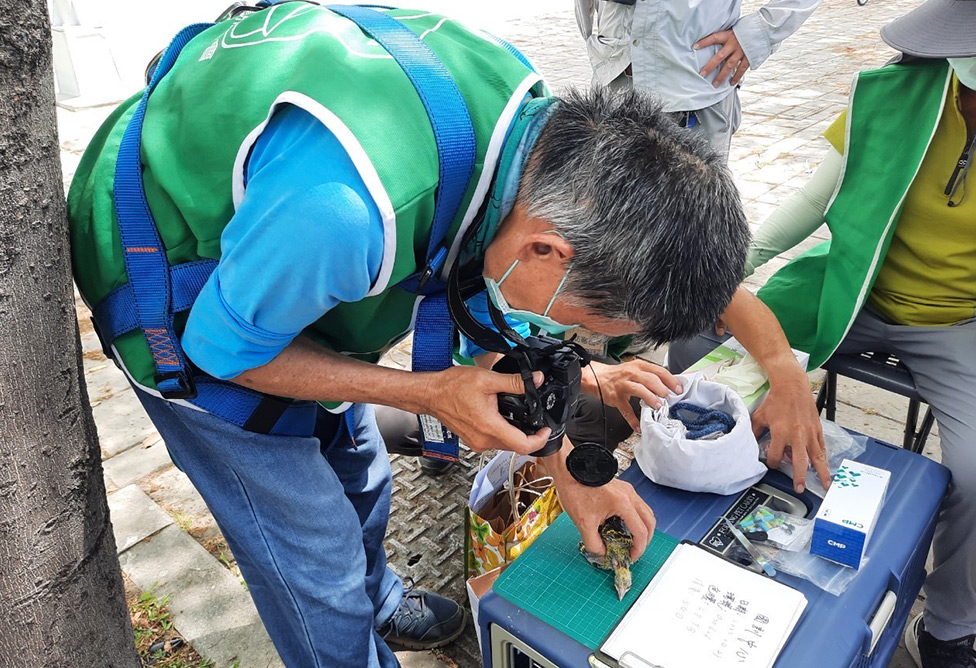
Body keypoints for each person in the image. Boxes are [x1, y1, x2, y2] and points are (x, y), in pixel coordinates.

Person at [67, 5, 751, 666]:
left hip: (283, 252)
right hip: (176, 285)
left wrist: (569, 465)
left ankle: (377, 602)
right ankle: (340, 636)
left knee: (361, 471)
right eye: (577, 324)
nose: (554, 335)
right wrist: (431, 394)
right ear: (547, 251)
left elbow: (487, 311)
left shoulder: (541, 145)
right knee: (316, 558)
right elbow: (222, 349)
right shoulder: (344, 212)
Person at [745, 2, 976, 666]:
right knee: (712, 357)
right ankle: (729, 527)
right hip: (852, 290)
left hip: (956, 322)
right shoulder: (891, 92)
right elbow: (817, 199)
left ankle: (949, 627)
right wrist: (741, 260)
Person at [574, 0, 821, 153]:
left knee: (692, 226)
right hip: (615, 83)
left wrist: (760, 32)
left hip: (694, 93)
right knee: (614, 223)